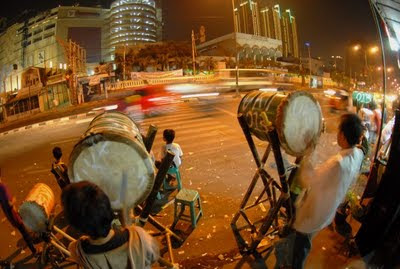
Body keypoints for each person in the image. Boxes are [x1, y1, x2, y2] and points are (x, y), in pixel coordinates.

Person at [275, 114, 365, 269]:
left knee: (303, 242)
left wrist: (307, 156)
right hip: (329, 206)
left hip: (316, 210)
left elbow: (309, 179)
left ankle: (296, 266)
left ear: (342, 136)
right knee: (306, 235)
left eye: (338, 131)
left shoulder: (337, 163)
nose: (337, 134)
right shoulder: (357, 154)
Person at [62, 181, 159, 269]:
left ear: (75, 226)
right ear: (109, 208)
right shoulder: (140, 237)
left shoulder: (77, 250)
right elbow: (154, 256)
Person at [0, 176, 36, 254]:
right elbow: (9, 204)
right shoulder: (2, 187)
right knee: (24, 232)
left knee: (23, 229)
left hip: (9, 214)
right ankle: (34, 250)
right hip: (13, 214)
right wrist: (13, 200)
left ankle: (32, 244)